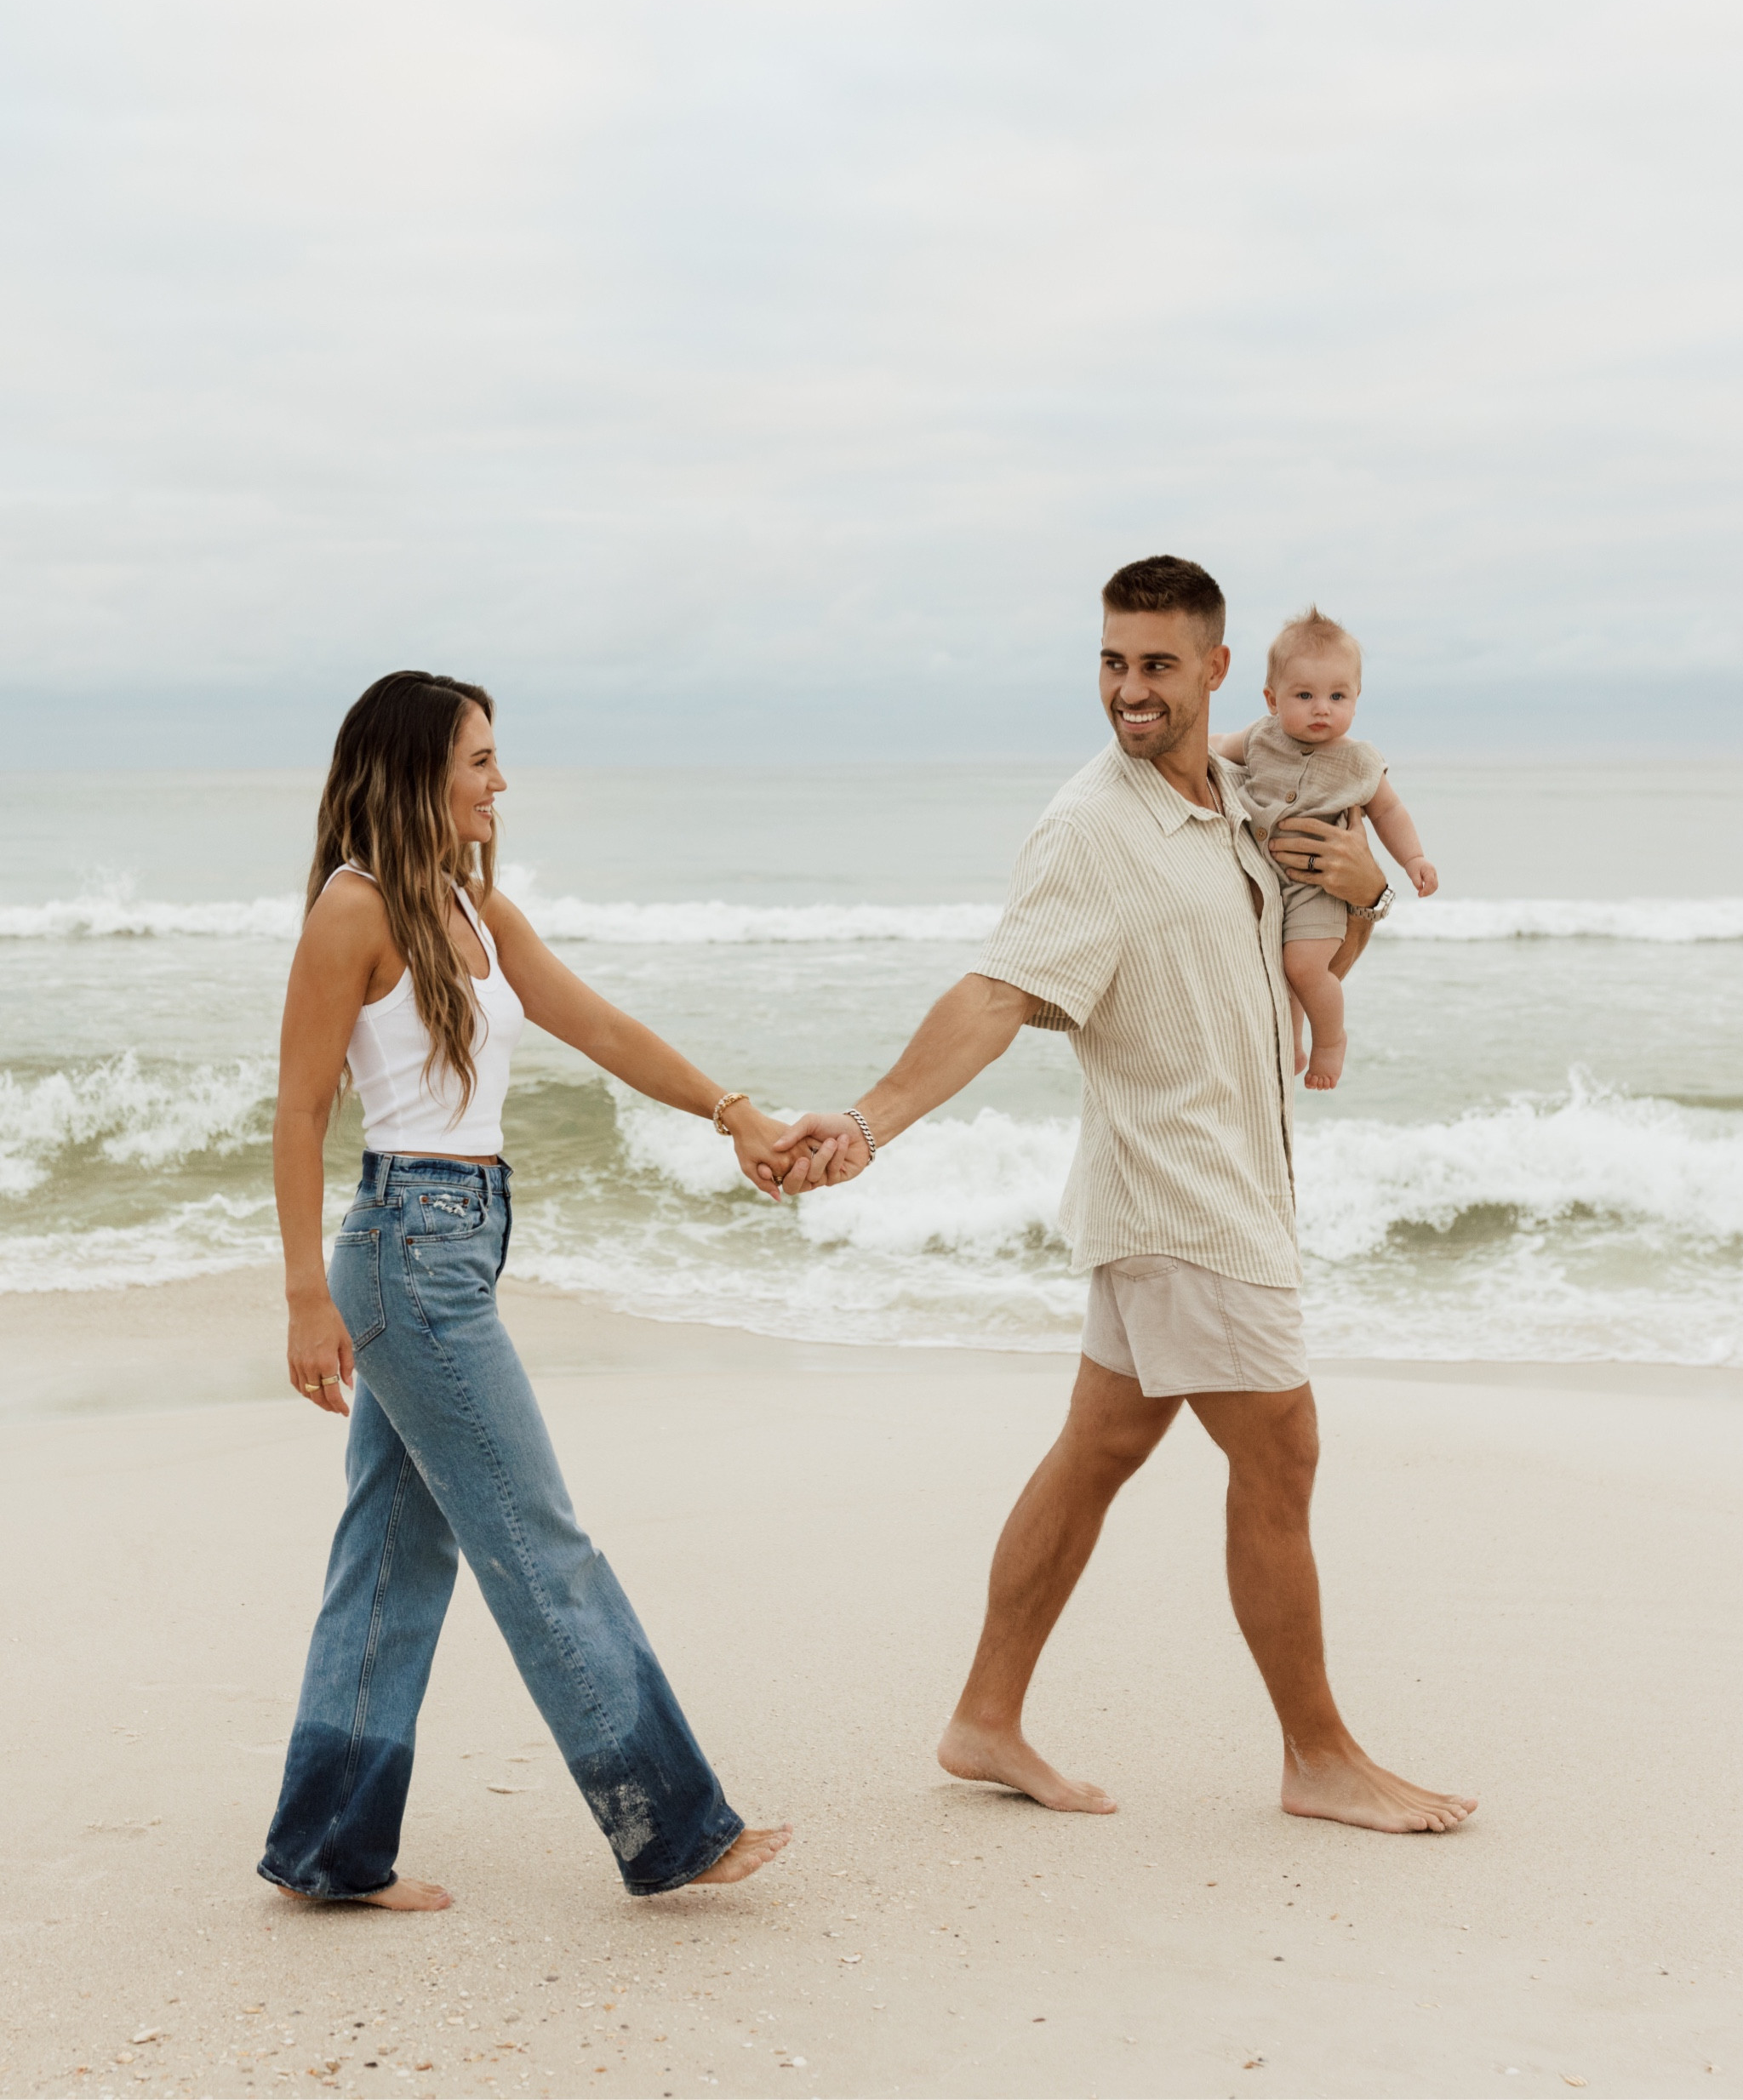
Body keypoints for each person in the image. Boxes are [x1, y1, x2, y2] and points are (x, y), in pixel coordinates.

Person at [774, 558, 1477, 1835]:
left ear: (1216, 672)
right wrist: (871, 1118)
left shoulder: (1243, 803)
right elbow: (996, 992)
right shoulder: (1090, 829)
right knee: (1282, 1449)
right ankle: (1319, 1755)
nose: (1129, 689)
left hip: (1222, 1186)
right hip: (1182, 1203)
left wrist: (1368, 896)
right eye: (1112, 661)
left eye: (1156, 663)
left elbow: (1294, 963)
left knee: (1100, 1447)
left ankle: (985, 1715)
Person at [260, 671, 803, 1910]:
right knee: (538, 1539)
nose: (500, 781)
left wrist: (734, 1110)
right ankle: (671, 1822)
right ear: (414, 771)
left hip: (459, 1241)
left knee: (394, 1555)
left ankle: (327, 1847)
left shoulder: (473, 900)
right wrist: (305, 1292)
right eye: (479, 760)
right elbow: (298, 1108)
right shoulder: (353, 910)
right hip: (408, 1251)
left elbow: (598, 1026)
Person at [1212, 603, 1438, 1089]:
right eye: (1305, 695)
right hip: (1266, 878)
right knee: (1280, 966)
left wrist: (1413, 859)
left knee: (1304, 966)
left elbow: (1389, 813)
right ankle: (1289, 1043)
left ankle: (1330, 1040)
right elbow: (1216, 744)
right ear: (1273, 699)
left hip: (1316, 890)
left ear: (1356, 699)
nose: (1322, 708)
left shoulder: (1359, 762)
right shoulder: (1260, 738)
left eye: (1338, 695)